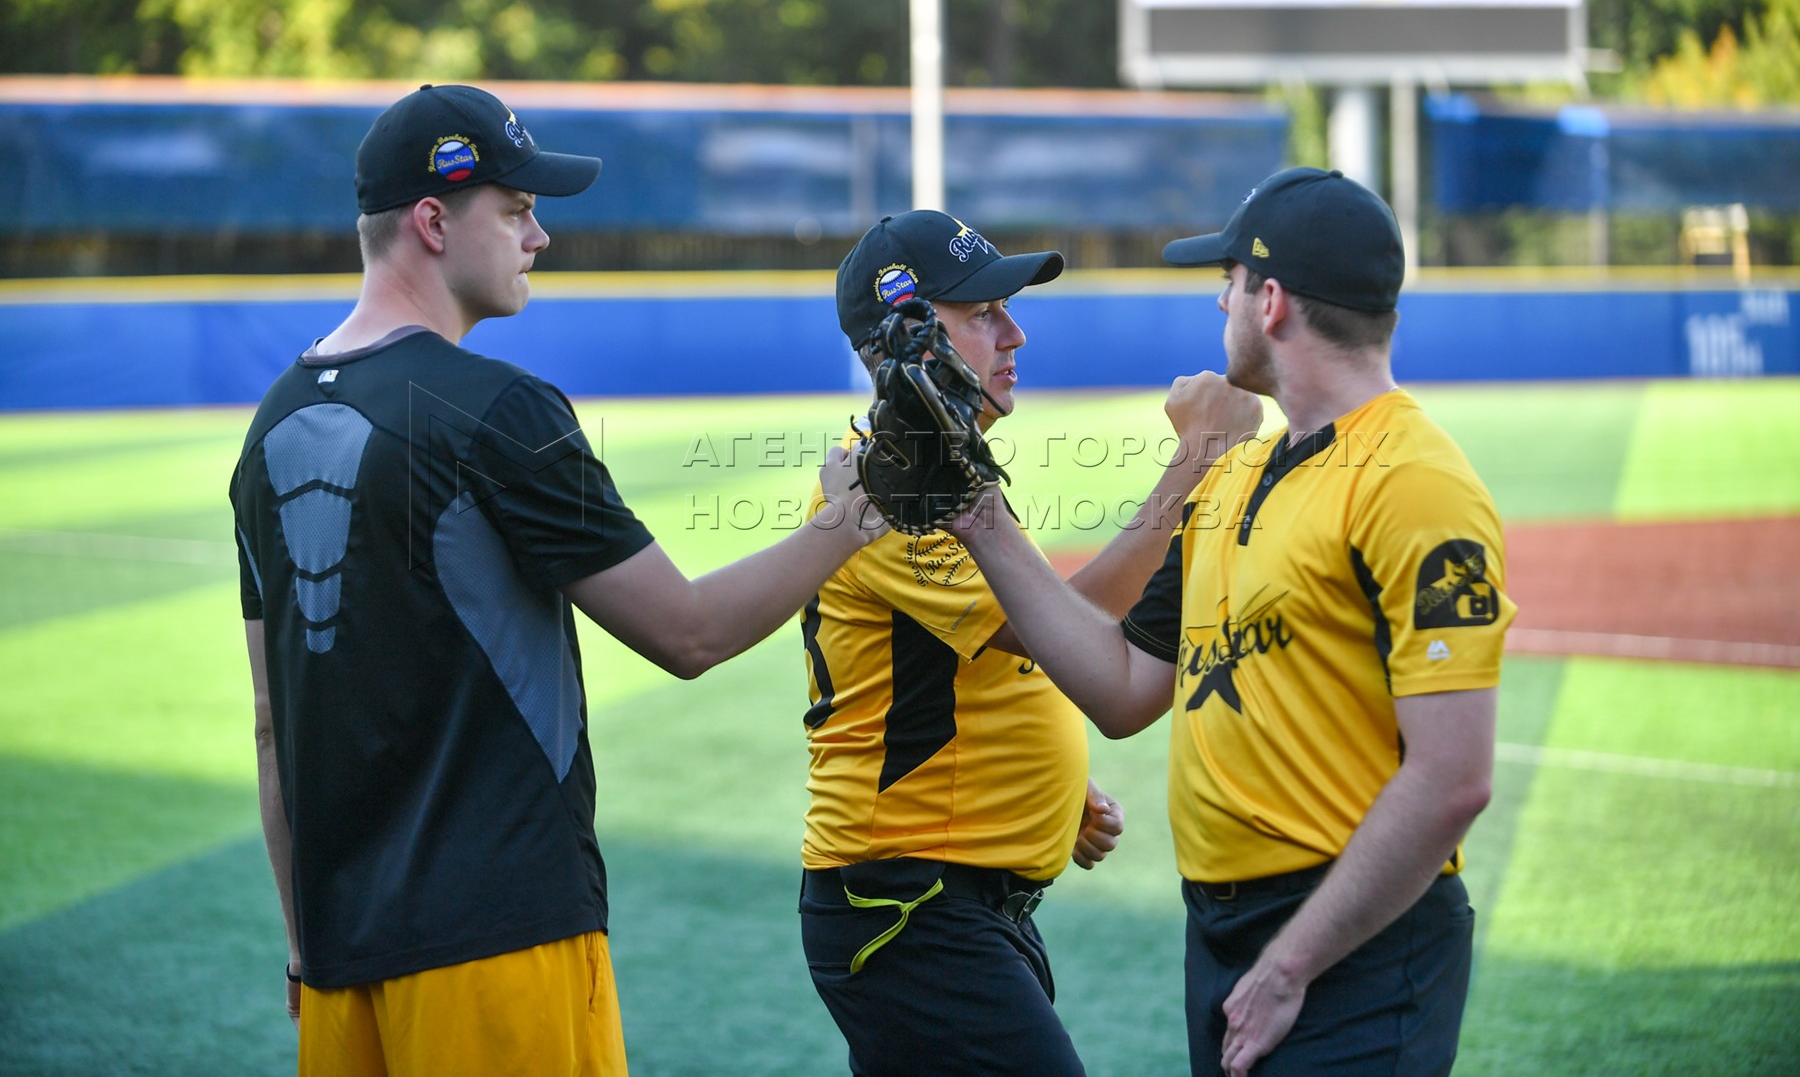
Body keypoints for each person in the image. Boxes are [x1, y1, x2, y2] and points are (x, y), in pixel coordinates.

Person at [229, 83, 886, 1077]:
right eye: (517, 210)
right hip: (500, 943)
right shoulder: (500, 409)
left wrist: (300, 944)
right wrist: (846, 518)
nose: (539, 237)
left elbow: (272, 729)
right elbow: (689, 633)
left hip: (334, 961)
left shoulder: (269, 426)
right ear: (433, 222)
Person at [949, 168, 1516, 1077]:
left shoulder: (1416, 482)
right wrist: (975, 515)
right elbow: (1124, 689)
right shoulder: (1236, 472)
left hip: (1352, 940)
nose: (1221, 301)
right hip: (1222, 930)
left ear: (1273, 302)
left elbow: (1453, 778)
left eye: (1231, 281)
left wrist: (1291, 966)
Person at [796, 210, 1263, 1076]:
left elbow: (970, 662)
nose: (1015, 334)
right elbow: (1063, 628)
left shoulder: (941, 471)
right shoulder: (891, 489)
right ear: (901, 338)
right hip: (908, 904)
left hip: (945, 899)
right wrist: (1197, 459)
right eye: (982, 314)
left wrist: (1045, 789)